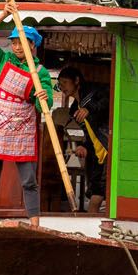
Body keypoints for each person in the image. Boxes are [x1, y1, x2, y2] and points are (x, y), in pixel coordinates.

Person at [0, 8, 54, 217]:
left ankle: (34, 220)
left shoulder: (40, 72)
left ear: (33, 45)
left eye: (22, 42)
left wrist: (42, 97)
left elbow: (45, 105)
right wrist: (3, 15)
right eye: (15, 42)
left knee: (29, 181)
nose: (17, 46)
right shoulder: (2, 59)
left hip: (21, 130)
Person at [56, 68, 110, 212]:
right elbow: (89, 133)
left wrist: (90, 110)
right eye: (60, 85)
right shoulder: (74, 108)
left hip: (109, 148)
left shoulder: (93, 92)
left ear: (77, 81)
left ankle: (94, 222)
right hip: (98, 154)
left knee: (98, 193)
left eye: (65, 83)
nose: (63, 87)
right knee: (95, 190)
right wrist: (84, 146)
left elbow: (109, 101)